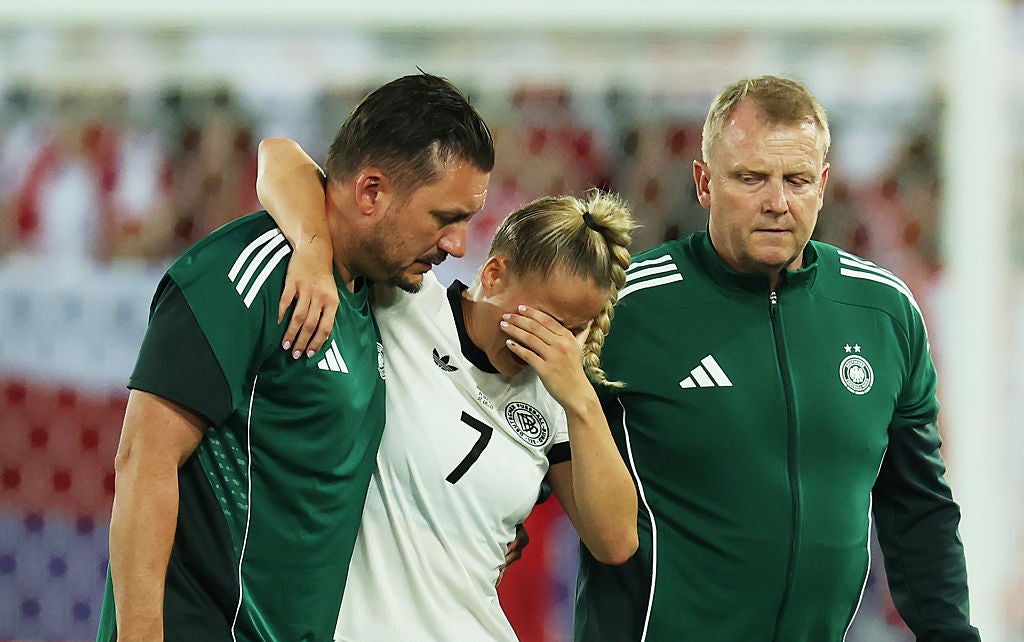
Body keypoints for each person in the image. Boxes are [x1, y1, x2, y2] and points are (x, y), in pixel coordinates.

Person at [573, 75, 980, 641]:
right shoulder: (623, 309)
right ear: (703, 183)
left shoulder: (883, 312)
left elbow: (918, 511)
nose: (777, 203)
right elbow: (528, 462)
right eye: (751, 178)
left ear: (824, 184)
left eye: (797, 180)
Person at [96, 73, 495, 641]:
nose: (458, 245)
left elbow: (283, 158)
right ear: (372, 193)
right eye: (444, 218)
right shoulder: (245, 278)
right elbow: (144, 461)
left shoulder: (380, 296)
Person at [255, 138, 639, 641]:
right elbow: (278, 157)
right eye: (544, 319)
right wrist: (311, 252)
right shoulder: (405, 305)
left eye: (574, 331)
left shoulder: (557, 403)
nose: (554, 344)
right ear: (495, 273)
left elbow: (614, 541)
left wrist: (581, 399)